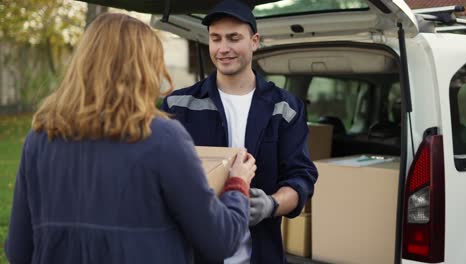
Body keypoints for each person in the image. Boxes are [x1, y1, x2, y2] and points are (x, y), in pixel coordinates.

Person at [4, 13, 257, 264]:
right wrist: (237, 185)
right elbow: (220, 240)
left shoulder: (40, 138)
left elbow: (18, 250)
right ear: (144, 67)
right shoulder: (162, 137)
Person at [161, 0, 318, 263]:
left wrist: (271, 204)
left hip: (261, 254)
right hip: (195, 253)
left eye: (234, 38)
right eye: (216, 38)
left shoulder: (285, 108)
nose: (223, 49)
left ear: (254, 41)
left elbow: (301, 178)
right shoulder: (179, 104)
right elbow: (163, 175)